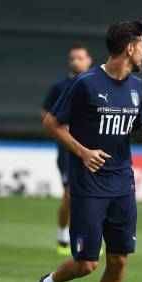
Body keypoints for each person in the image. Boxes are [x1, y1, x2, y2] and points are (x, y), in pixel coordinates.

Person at [29, 20, 142, 282]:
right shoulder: (86, 83)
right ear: (130, 48)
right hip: (89, 185)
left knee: (119, 259)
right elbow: (52, 122)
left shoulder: (138, 88)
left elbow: (131, 128)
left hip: (122, 183)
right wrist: (83, 151)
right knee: (86, 263)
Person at [40, 44, 92, 255]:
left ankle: (89, 239)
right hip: (67, 151)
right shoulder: (60, 86)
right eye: (72, 58)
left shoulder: (95, 83)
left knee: (91, 196)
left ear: (88, 60)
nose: (75, 61)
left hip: (90, 148)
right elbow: (46, 111)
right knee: (70, 195)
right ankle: (63, 237)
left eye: (80, 58)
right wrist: (61, 126)